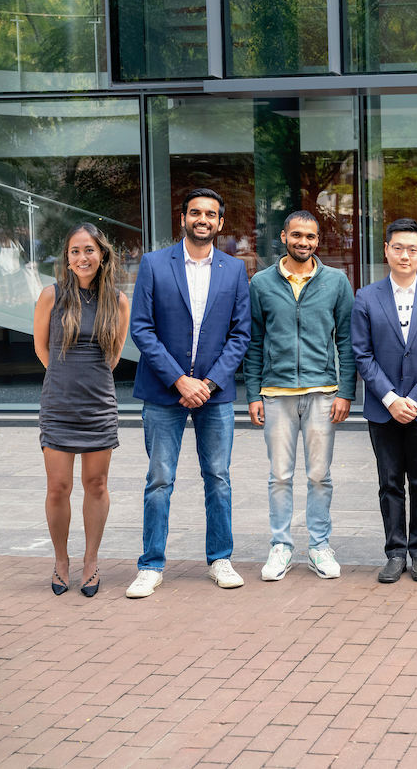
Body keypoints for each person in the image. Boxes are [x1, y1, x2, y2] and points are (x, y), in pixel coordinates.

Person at [125, 188, 252, 598]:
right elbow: (141, 328)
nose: (203, 219)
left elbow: (241, 334)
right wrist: (180, 379)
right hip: (165, 392)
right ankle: (150, 565)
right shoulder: (154, 263)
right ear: (182, 218)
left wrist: (209, 383)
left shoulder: (235, 270)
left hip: (214, 395)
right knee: (159, 479)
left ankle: (220, 559)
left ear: (220, 222)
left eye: (210, 214)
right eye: (195, 212)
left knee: (218, 478)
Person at [246, 211, 355, 583]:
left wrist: (346, 392)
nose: (303, 242)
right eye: (297, 235)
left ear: (318, 241)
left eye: (310, 236)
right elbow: (253, 343)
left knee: (320, 475)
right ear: (283, 236)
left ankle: (319, 546)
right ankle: (281, 546)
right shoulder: (261, 283)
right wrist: (253, 394)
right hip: (276, 394)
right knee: (279, 476)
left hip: (323, 392)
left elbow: (347, 341)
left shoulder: (337, 282)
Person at [353, 218, 417, 583]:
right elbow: (362, 354)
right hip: (383, 409)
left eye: (412, 249)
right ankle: (395, 551)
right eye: (398, 248)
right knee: (390, 482)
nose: (405, 255)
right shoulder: (365, 296)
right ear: (386, 250)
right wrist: (392, 398)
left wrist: (416, 399)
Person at [33, 224, 130, 596]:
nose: (82, 258)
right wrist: (64, 378)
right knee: (58, 487)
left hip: (98, 405)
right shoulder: (51, 296)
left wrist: (86, 379)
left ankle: (91, 561)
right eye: (75, 251)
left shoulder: (117, 301)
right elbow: (41, 348)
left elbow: (115, 354)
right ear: (67, 258)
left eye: (88, 250)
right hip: (58, 403)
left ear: (101, 254)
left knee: (96, 484)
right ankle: (61, 561)